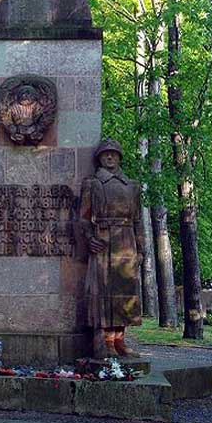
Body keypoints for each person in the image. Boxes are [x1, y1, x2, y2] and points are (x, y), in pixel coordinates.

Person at [79, 138, 144, 358]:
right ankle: (105, 341)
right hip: (104, 240)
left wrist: (141, 249)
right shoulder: (93, 183)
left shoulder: (132, 186)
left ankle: (120, 340)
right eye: (105, 154)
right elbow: (84, 217)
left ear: (119, 157)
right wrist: (89, 237)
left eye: (113, 153)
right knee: (105, 291)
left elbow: (138, 221)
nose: (109, 157)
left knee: (124, 292)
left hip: (126, 242)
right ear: (99, 158)